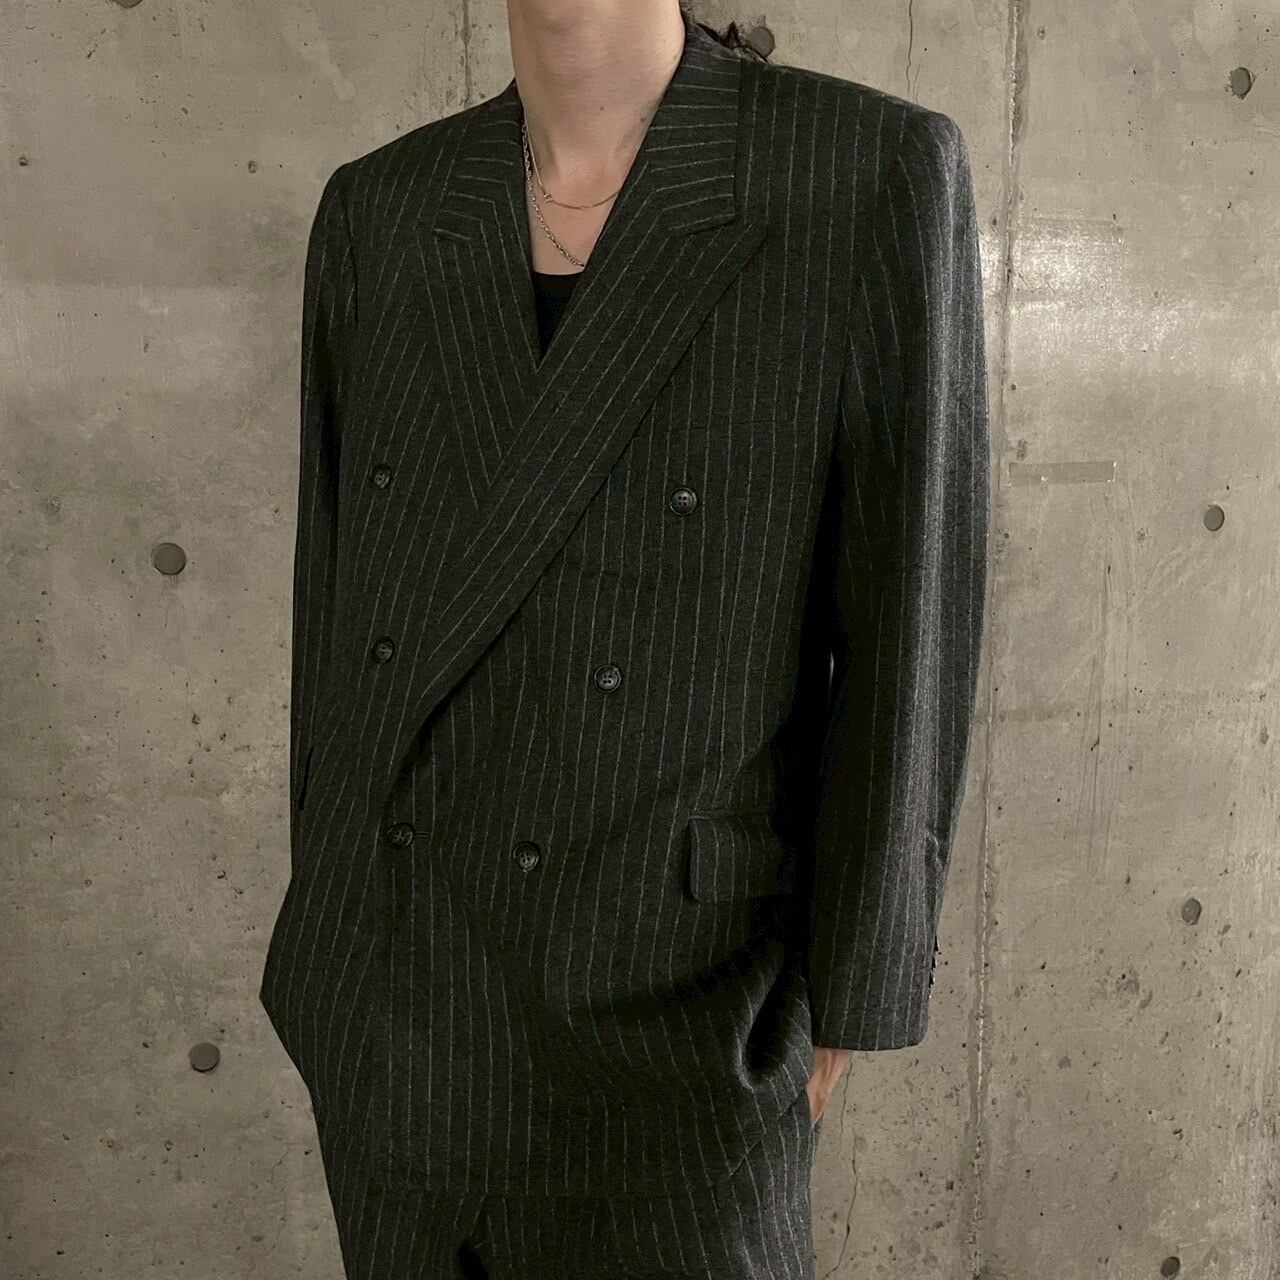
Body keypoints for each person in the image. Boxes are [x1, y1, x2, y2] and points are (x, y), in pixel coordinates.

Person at [258, 1, 990, 1276]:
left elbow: (904, 621)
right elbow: (336, 613)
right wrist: (330, 942)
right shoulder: (383, 207)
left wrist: (844, 1000)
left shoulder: (858, 171)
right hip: (400, 1016)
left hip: (679, 1021)